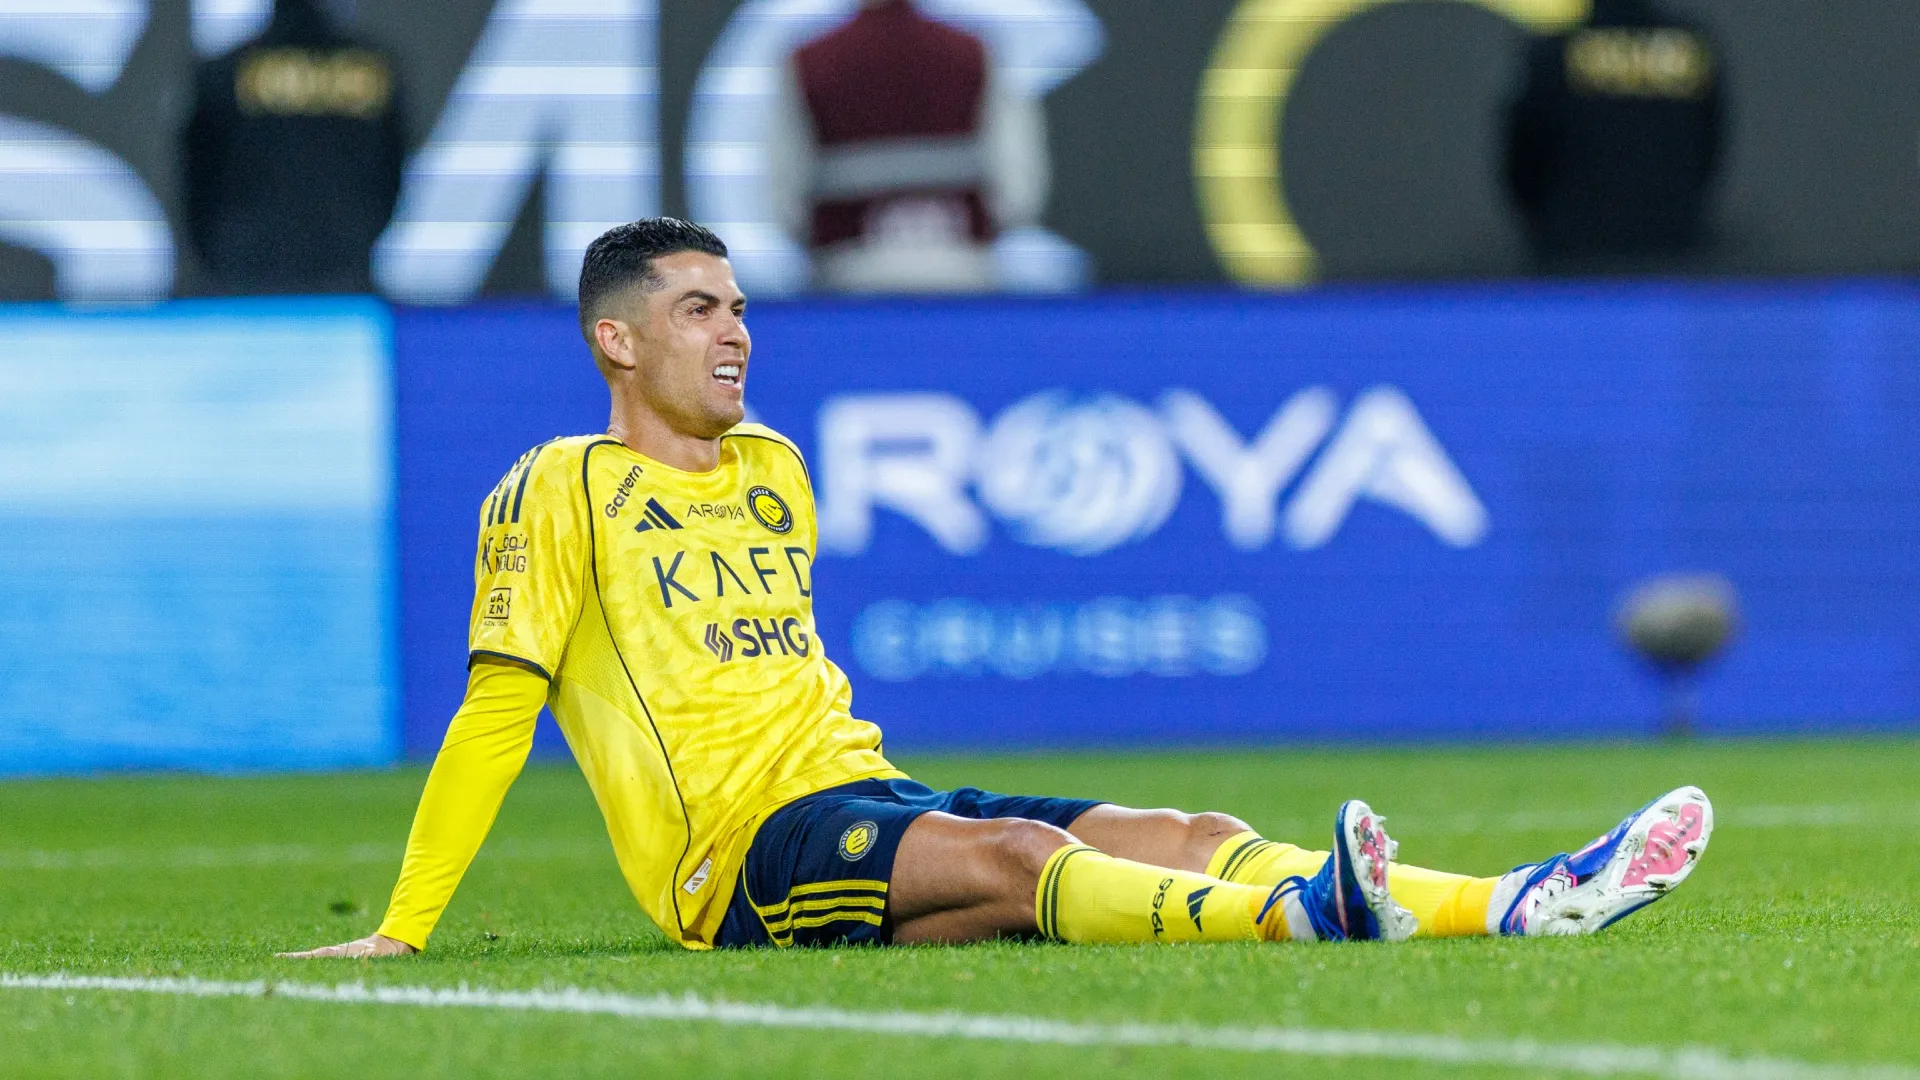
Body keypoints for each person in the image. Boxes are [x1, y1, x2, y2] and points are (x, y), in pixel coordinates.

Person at [280, 218, 1713, 958]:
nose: (738, 333)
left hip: (862, 792)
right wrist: (407, 924)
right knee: (1030, 870)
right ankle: (1310, 918)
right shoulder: (554, 489)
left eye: (740, 305)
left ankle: (1520, 904)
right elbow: (495, 713)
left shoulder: (776, 466)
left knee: (1184, 828)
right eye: (699, 310)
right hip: (734, 859)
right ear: (615, 340)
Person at [766, 0, 1048, 294]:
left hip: (847, 277)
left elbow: (784, 195)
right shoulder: (973, 52)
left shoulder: (810, 60)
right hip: (963, 271)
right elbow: (1019, 186)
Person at [181, 0, 405, 294]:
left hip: (244, 279)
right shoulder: (375, 70)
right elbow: (392, 171)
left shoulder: (225, 72)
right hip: (341, 279)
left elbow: (194, 175)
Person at [1504, 0, 1723, 272]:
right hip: (1670, 254)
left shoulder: (1554, 50)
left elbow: (1522, 161)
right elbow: (1709, 150)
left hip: (1572, 260)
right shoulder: (1690, 48)